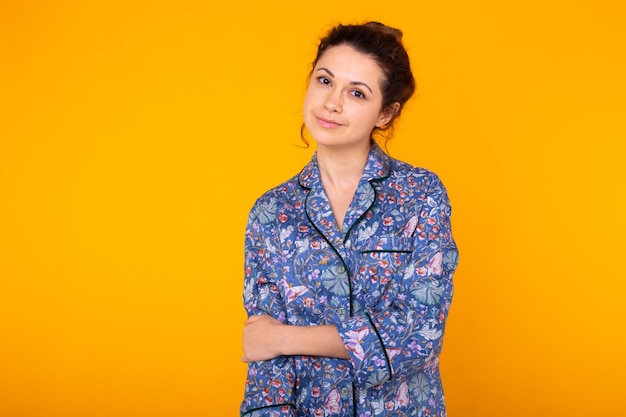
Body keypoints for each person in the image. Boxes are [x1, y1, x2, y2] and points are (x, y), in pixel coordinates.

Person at [240, 21, 459, 417]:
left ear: (386, 113)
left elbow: (419, 332)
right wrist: (271, 345)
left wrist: (286, 337)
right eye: (325, 80)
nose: (332, 103)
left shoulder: (420, 195)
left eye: (357, 92)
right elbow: (262, 354)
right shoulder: (271, 212)